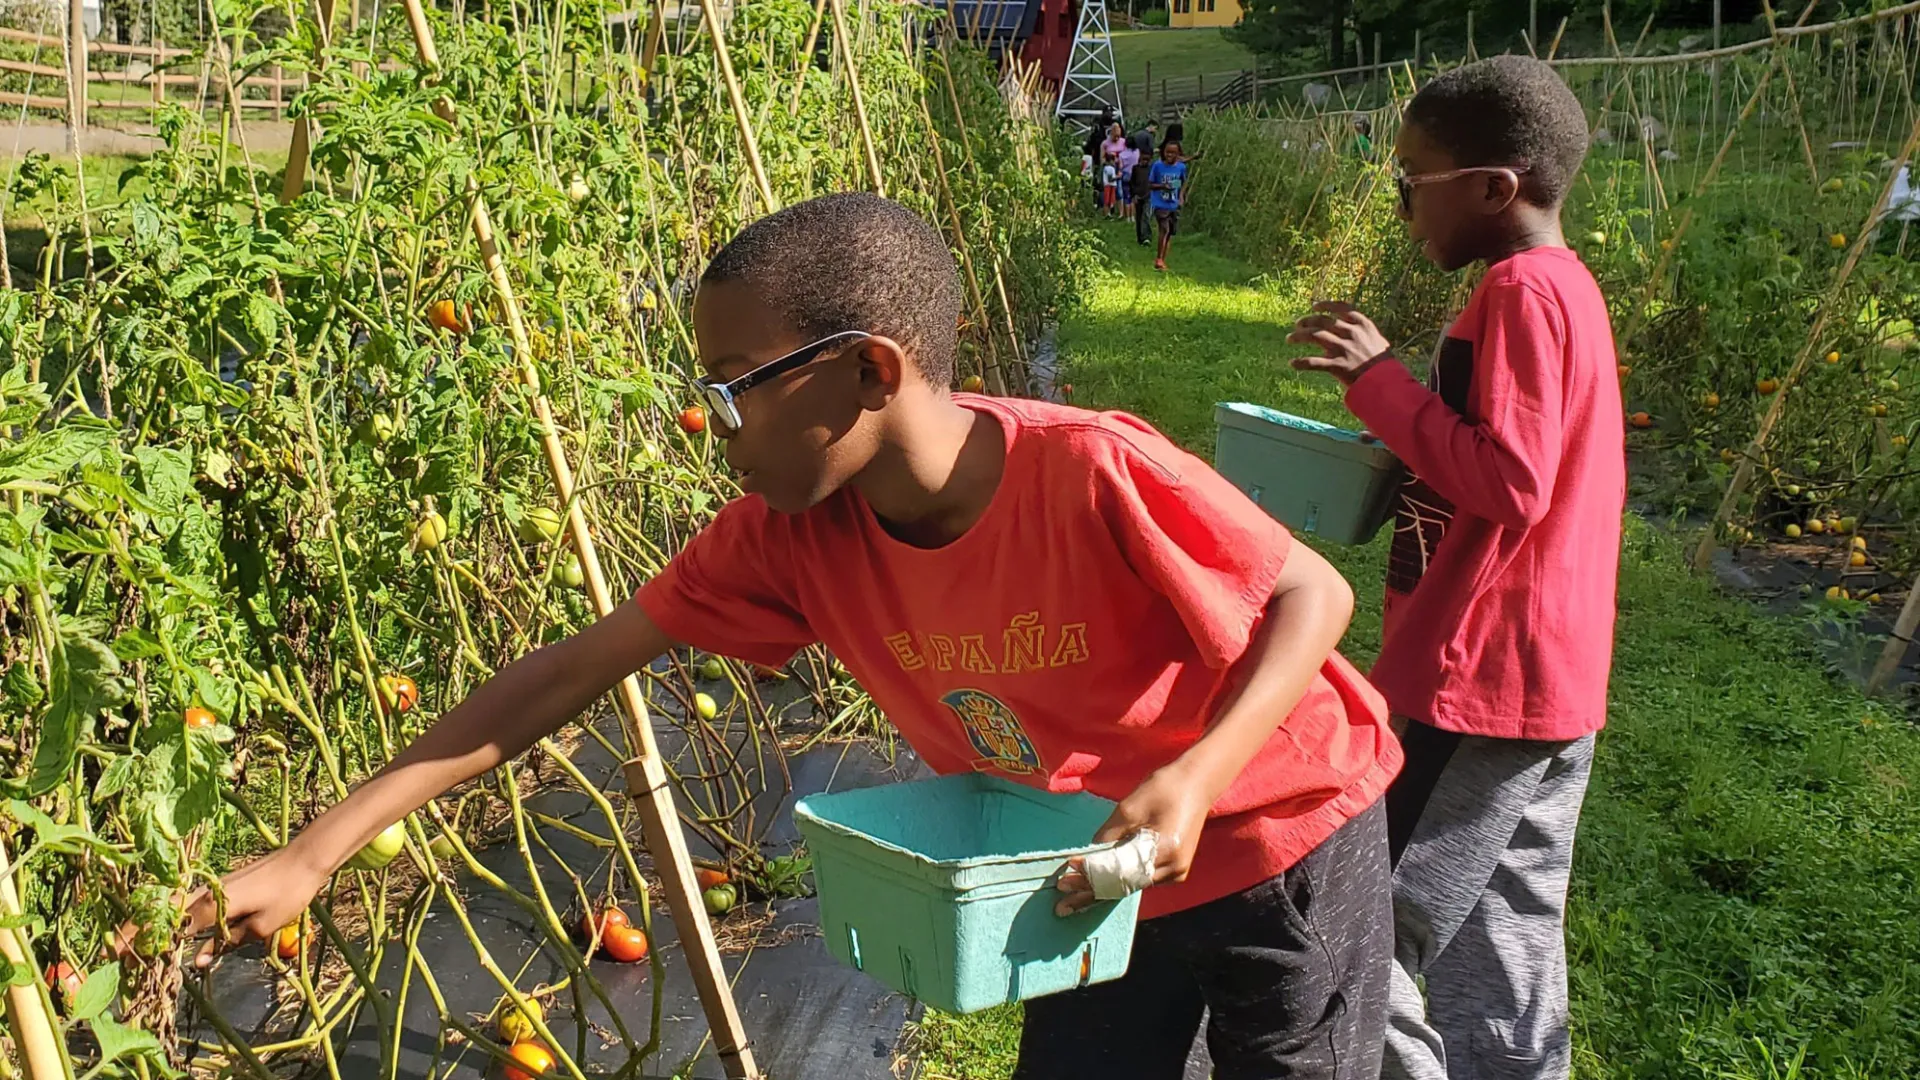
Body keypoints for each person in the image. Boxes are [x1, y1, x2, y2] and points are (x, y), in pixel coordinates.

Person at [176, 193, 1405, 1080]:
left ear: (868, 369)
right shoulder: (787, 538)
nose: (715, 426)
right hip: (1092, 866)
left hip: (1279, 833)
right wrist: (317, 851)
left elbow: (1315, 598)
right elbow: (562, 675)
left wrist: (1196, 776)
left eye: (733, 384)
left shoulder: (1089, 469)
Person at [1285, 55, 1622, 1080]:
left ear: (1491, 187)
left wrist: (1381, 385)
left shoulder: (1521, 292)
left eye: (1410, 183)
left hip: (1474, 678)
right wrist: (1402, 447)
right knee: (1506, 929)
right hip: (1548, 679)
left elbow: (1511, 481)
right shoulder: (1563, 289)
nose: (1400, 208)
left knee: (1367, 919)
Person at [1148, 140, 1188, 271]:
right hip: (1160, 203)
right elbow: (1150, 184)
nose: (1169, 155)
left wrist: (1181, 196)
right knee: (1164, 229)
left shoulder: (1181, 167)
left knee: (1169, 232)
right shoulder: (1157, 166)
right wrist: (1162, 186)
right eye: (1167, 152)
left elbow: (1182, 183)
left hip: (1173, 203)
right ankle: (1158, 259)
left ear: (1178, 154)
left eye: (1173, 153)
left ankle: (1162, 260)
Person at [1128, 135, 1155, 244]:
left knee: (1146, 216)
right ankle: (1140, 237)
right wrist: (1133, 195)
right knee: (1139, 217)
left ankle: (1147, 237)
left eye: (1147, 159)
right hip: (1138, 195)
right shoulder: (1136, 169)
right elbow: (1132, 183)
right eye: (1143, 159)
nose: (1144, 161)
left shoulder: (1152, 169)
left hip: (1149, 195)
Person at [1116, 138, 1141, 223]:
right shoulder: (1137, 152)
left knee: (1127, 197)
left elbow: (1121, 166)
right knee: (1134, 197)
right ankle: (1133, 216)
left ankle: (1128, 217)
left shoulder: (1122, 155)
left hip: (1126, 174)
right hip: (1136, 174)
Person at [1100, 153, 1120, 218]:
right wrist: (1118, 176)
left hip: (1107, 185)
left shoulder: (1105, 167)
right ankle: (1106, 214)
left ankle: (1108, 213)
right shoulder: (1110, 168)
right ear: (1111, 160)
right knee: (1108, 200)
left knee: (1108, 200)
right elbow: (1110, 179)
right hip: (1110, 185)